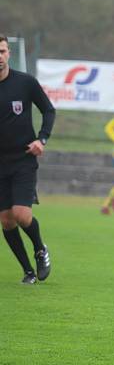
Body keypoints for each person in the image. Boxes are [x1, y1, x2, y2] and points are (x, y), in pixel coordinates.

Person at [0, 33, 54, 284]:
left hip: (23, 160)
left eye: (2, 51)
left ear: (8, 53)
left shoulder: (25, 83)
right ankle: (27, 271)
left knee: (21, 215)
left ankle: (40, 250)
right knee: (6, 220)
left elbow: (48, 110)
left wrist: (41, 139)